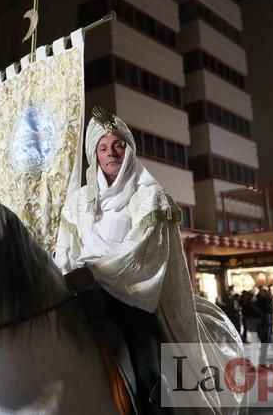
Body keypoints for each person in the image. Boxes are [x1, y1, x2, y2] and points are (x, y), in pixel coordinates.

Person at [54, 107, 240, 414]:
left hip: (131, 296)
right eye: (102, 147)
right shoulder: (77, 201)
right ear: (94, 155)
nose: (110, 152)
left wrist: (95, 271)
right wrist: (65, 272)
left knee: (148, 371)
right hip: (82, 293)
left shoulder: (150, 197)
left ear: (128, 149)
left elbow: (142, 253)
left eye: (117, 145)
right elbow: (64, 246)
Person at [255, 286, 273, 364]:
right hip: (264, 321)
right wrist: (270, 299)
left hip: (264, 321)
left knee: (264, 341)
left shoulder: (259, 299)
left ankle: (262, 358)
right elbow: (268, 309)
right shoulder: (262, 300)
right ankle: (262, 359)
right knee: (265, 340)